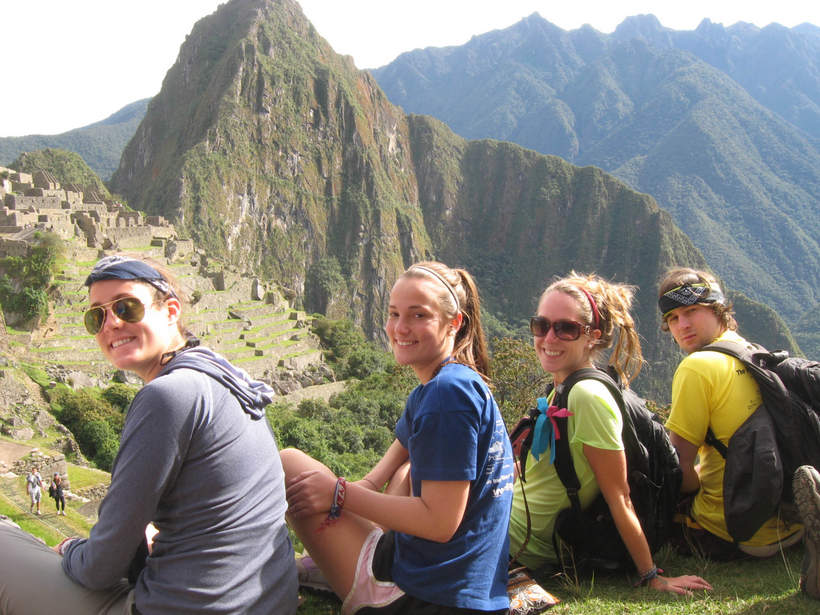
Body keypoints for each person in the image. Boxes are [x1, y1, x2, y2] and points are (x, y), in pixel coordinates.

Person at [0, 255, 298, 614]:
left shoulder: (167, 396)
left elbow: (99, 568)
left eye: (126, 307)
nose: (111, 324)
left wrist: (71, 548)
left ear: (170, 311)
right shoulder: (222, 376)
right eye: (97, 316)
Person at [282, 261, 514, 614]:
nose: (400, 328)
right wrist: (359, 489)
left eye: (418, 315)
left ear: (455, 323)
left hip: (427, 597)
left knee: (289, 466)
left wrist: (338, 494)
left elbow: (439, 522)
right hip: (458, 584)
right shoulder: (448, 384)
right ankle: (332, 564)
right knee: (403, 474)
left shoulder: (447, 396)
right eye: (394, 314)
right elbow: (394, 457)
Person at [507, 272, 712, 603]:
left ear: (592, 337)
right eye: (541, 325)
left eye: (566, 328)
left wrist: (650, 575)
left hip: (515, 544)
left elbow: (620, 496)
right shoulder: (563, 386)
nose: (549, 337)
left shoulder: (587, 396)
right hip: (505, 521)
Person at [657, 267, 804, 560]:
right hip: (789, 524)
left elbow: (680, 470)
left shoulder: (696, 367)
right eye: (673, 318)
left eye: (692, 311)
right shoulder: (754, 352)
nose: (682, 324)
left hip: (734, 530)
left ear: (717, 310)